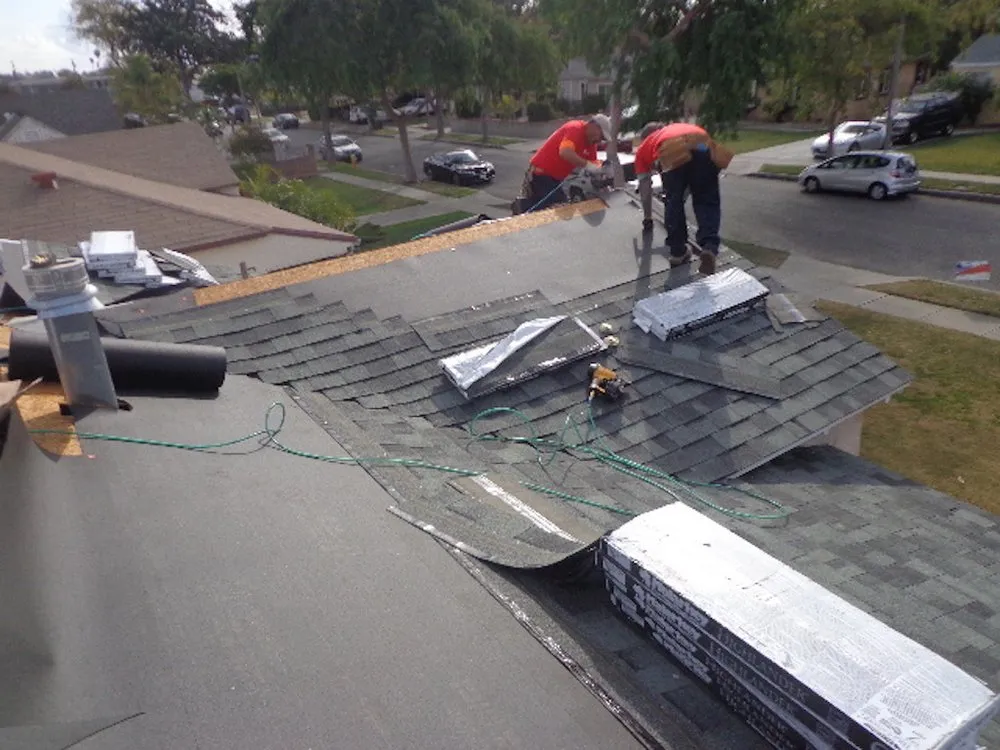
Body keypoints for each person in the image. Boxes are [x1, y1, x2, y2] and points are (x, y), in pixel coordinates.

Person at [634, 121, 734, 275]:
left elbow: (645, 188)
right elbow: (693, 158)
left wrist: (648, 217)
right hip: (701, 143)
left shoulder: (644, 148)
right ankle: (709, 247)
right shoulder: (676, 127)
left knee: (673, 200)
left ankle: (678, 251)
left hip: (671, 149)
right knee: (706, 199)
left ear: (645, 137)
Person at [525, 114, 613, 210]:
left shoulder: (591, 144)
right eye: (601, 136)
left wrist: (603, 174)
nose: (600, 141)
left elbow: (594, 165)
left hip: (555, 179)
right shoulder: (575, 129)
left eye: (603, 139)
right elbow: (565, 152)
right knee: (557, 209)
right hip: (540, 174)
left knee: (554, 210)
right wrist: (588, 165)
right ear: (594, 126)